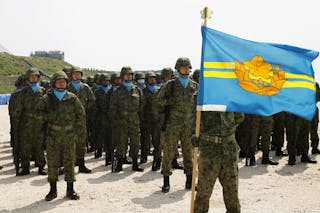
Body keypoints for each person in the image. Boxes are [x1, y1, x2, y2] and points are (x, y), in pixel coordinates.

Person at [41, 71, 85, 201]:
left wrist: (76, 131)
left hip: (69, 135)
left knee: (69, 162)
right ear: (54, 83)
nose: (62, 83)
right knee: (53, 162)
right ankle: (52, 190)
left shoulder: (72, 98)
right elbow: (40, 116)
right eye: (59, 81)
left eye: (64, 81)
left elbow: (80, 115)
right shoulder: (47, 99)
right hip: (53, 135)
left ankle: (70, 190)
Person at [157, 57, 198, 193]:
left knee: (188, 153)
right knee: (169, 152)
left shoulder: (194, 86)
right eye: (183, 67)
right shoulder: (171, 85)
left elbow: (198, 105)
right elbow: (159, 100)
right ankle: (166, 181)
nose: (186, 70)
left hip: (188, 125)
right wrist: (171, 101)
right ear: (178, 68)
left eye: (188, 67)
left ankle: (189, 181)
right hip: (173, 124)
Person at [194, 111, 244, 213]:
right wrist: (193, 134)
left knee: (232, 191)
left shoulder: (230, 98)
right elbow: (192, 117)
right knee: (203, 192)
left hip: (229, 150)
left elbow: (240, 117)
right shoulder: (203, 98)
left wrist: (229, 129)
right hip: (209, 150)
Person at [110, 66, 144, 172]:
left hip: (134, 120)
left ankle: (135, 164)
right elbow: (112, 108)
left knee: (135, 142)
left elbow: (142, 105)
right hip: (121, 120)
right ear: (122, 76)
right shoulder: (117, 91)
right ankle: (119, 164)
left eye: (130, 75)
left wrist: (136, 116)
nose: (129, 76)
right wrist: (115, 121)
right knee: (121, 142)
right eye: (127, 75)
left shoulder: (137, 90)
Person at [13, 68, 47, 176]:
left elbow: (47, 107)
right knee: (25, 146)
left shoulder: (42, 91)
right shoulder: (22, 92)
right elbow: (17, 110)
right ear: (27, 78)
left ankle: (41, 166)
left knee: (39, 146)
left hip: (39, 122)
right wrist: (16, 124)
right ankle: (25, 167)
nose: (34, 78)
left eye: (36, 76)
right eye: (31, 76)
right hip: (26, 123)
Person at [67, 66, 95, 173]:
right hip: (69, 118)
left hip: (81, 118)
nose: (77, 75)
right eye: (75, 74)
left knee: (82, 141)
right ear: (71, 75)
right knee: (69, 141)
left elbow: (92, 99)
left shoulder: (85, 87)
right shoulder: (68, 87)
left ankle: (81, 164)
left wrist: (85, 108)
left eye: (79, 74)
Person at [140, 72, 159, 164]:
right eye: (150, 78)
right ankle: (143, 157)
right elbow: (140, 106)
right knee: (145, 140)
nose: (152, 80)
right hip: (146, 119)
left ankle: (157, 158)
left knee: (157, 140)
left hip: (156, 119)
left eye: (154, 78)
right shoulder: (142, 91)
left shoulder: (158, 91)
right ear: (147, 80)